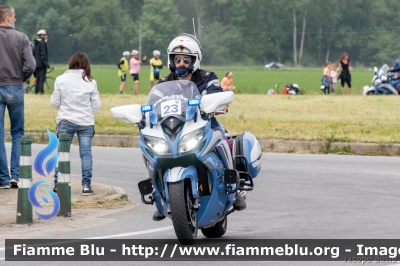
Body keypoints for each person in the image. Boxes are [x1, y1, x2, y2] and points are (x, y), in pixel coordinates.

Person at [153, 33, 246, 221]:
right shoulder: (164, 83)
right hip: (174, 130)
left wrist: (220, 104)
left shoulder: (207, 77)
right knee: (155, 151)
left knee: (223, 139)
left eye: (186, 60)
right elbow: (154, 104)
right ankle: (159, 195)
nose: (180, 64)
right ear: (171, 60)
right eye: (176, 59)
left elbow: (218, 95)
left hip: (205, 125)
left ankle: (234, 188)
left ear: (194, 61)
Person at [51, 52, 101, 195]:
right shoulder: (91, 82)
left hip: (65, 120)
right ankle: (86, 186)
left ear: (71, 63)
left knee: (62, 153)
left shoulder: (60, 79)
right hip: (86, 122)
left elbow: (55, 103)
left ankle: (58, 184)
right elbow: (96, 106)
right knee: (86, 154)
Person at [0, 6, 35, 189]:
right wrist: (22, 78)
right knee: (17, 132)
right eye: (13, 17)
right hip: (14, 85)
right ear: (7, 18)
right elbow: (31, 64)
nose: (15, 19)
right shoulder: (22, 38)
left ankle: (2, 179)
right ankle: (16, 175)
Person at [33, 29, 49, 94]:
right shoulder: (42, 43)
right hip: (41, 64)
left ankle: (36, 91)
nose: (46, 36)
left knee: (38, 78)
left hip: (36, 64)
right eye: (45, 35)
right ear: (42, 36)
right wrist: (46, 64)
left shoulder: (36, 44)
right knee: (42, 79)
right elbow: (43, 54)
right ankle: (41, 91)